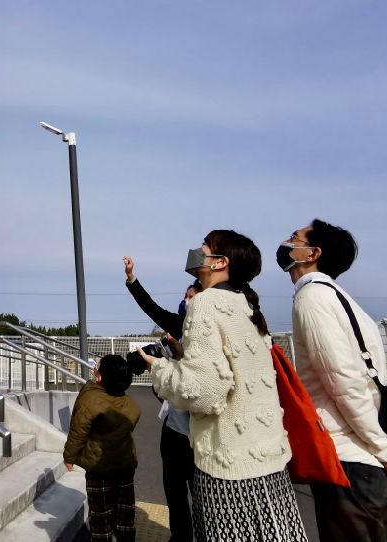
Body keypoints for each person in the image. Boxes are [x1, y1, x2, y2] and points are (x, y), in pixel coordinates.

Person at [138, 230, 307, 542]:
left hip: (228, 470)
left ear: (219, 262)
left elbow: (203, 393)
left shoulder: (204, 304)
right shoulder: (247, 307)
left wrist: (158, 368)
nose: (196, 251)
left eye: (204, 247)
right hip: (269, 465)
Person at [281, 219, 387, 541]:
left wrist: (384, 449)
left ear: (311, 253)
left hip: (346, 458)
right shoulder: (342, 299)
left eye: (294, 238)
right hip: (360, 454)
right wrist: (383, 447)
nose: (286, 242)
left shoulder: (312, 297)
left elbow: (343, 381)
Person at [123, 257, 199, 542]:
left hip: (198, 431)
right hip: (173, 427)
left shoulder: (208, 332)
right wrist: (132, 279)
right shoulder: (176, 327)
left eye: (192, 297)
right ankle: (180, 537)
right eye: (185, 296)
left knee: (200, 495)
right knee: (175, 493)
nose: (186, 301)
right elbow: (151, 307)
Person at [63, 354, 141, 542]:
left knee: (100, 518)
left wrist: (69, 457)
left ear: (101, 377)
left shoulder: (90, 399)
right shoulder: (130, 403)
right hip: (125, 465)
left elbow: (77, 431)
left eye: (96, 368)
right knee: (125, 517)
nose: (93, 370)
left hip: (99, 469)